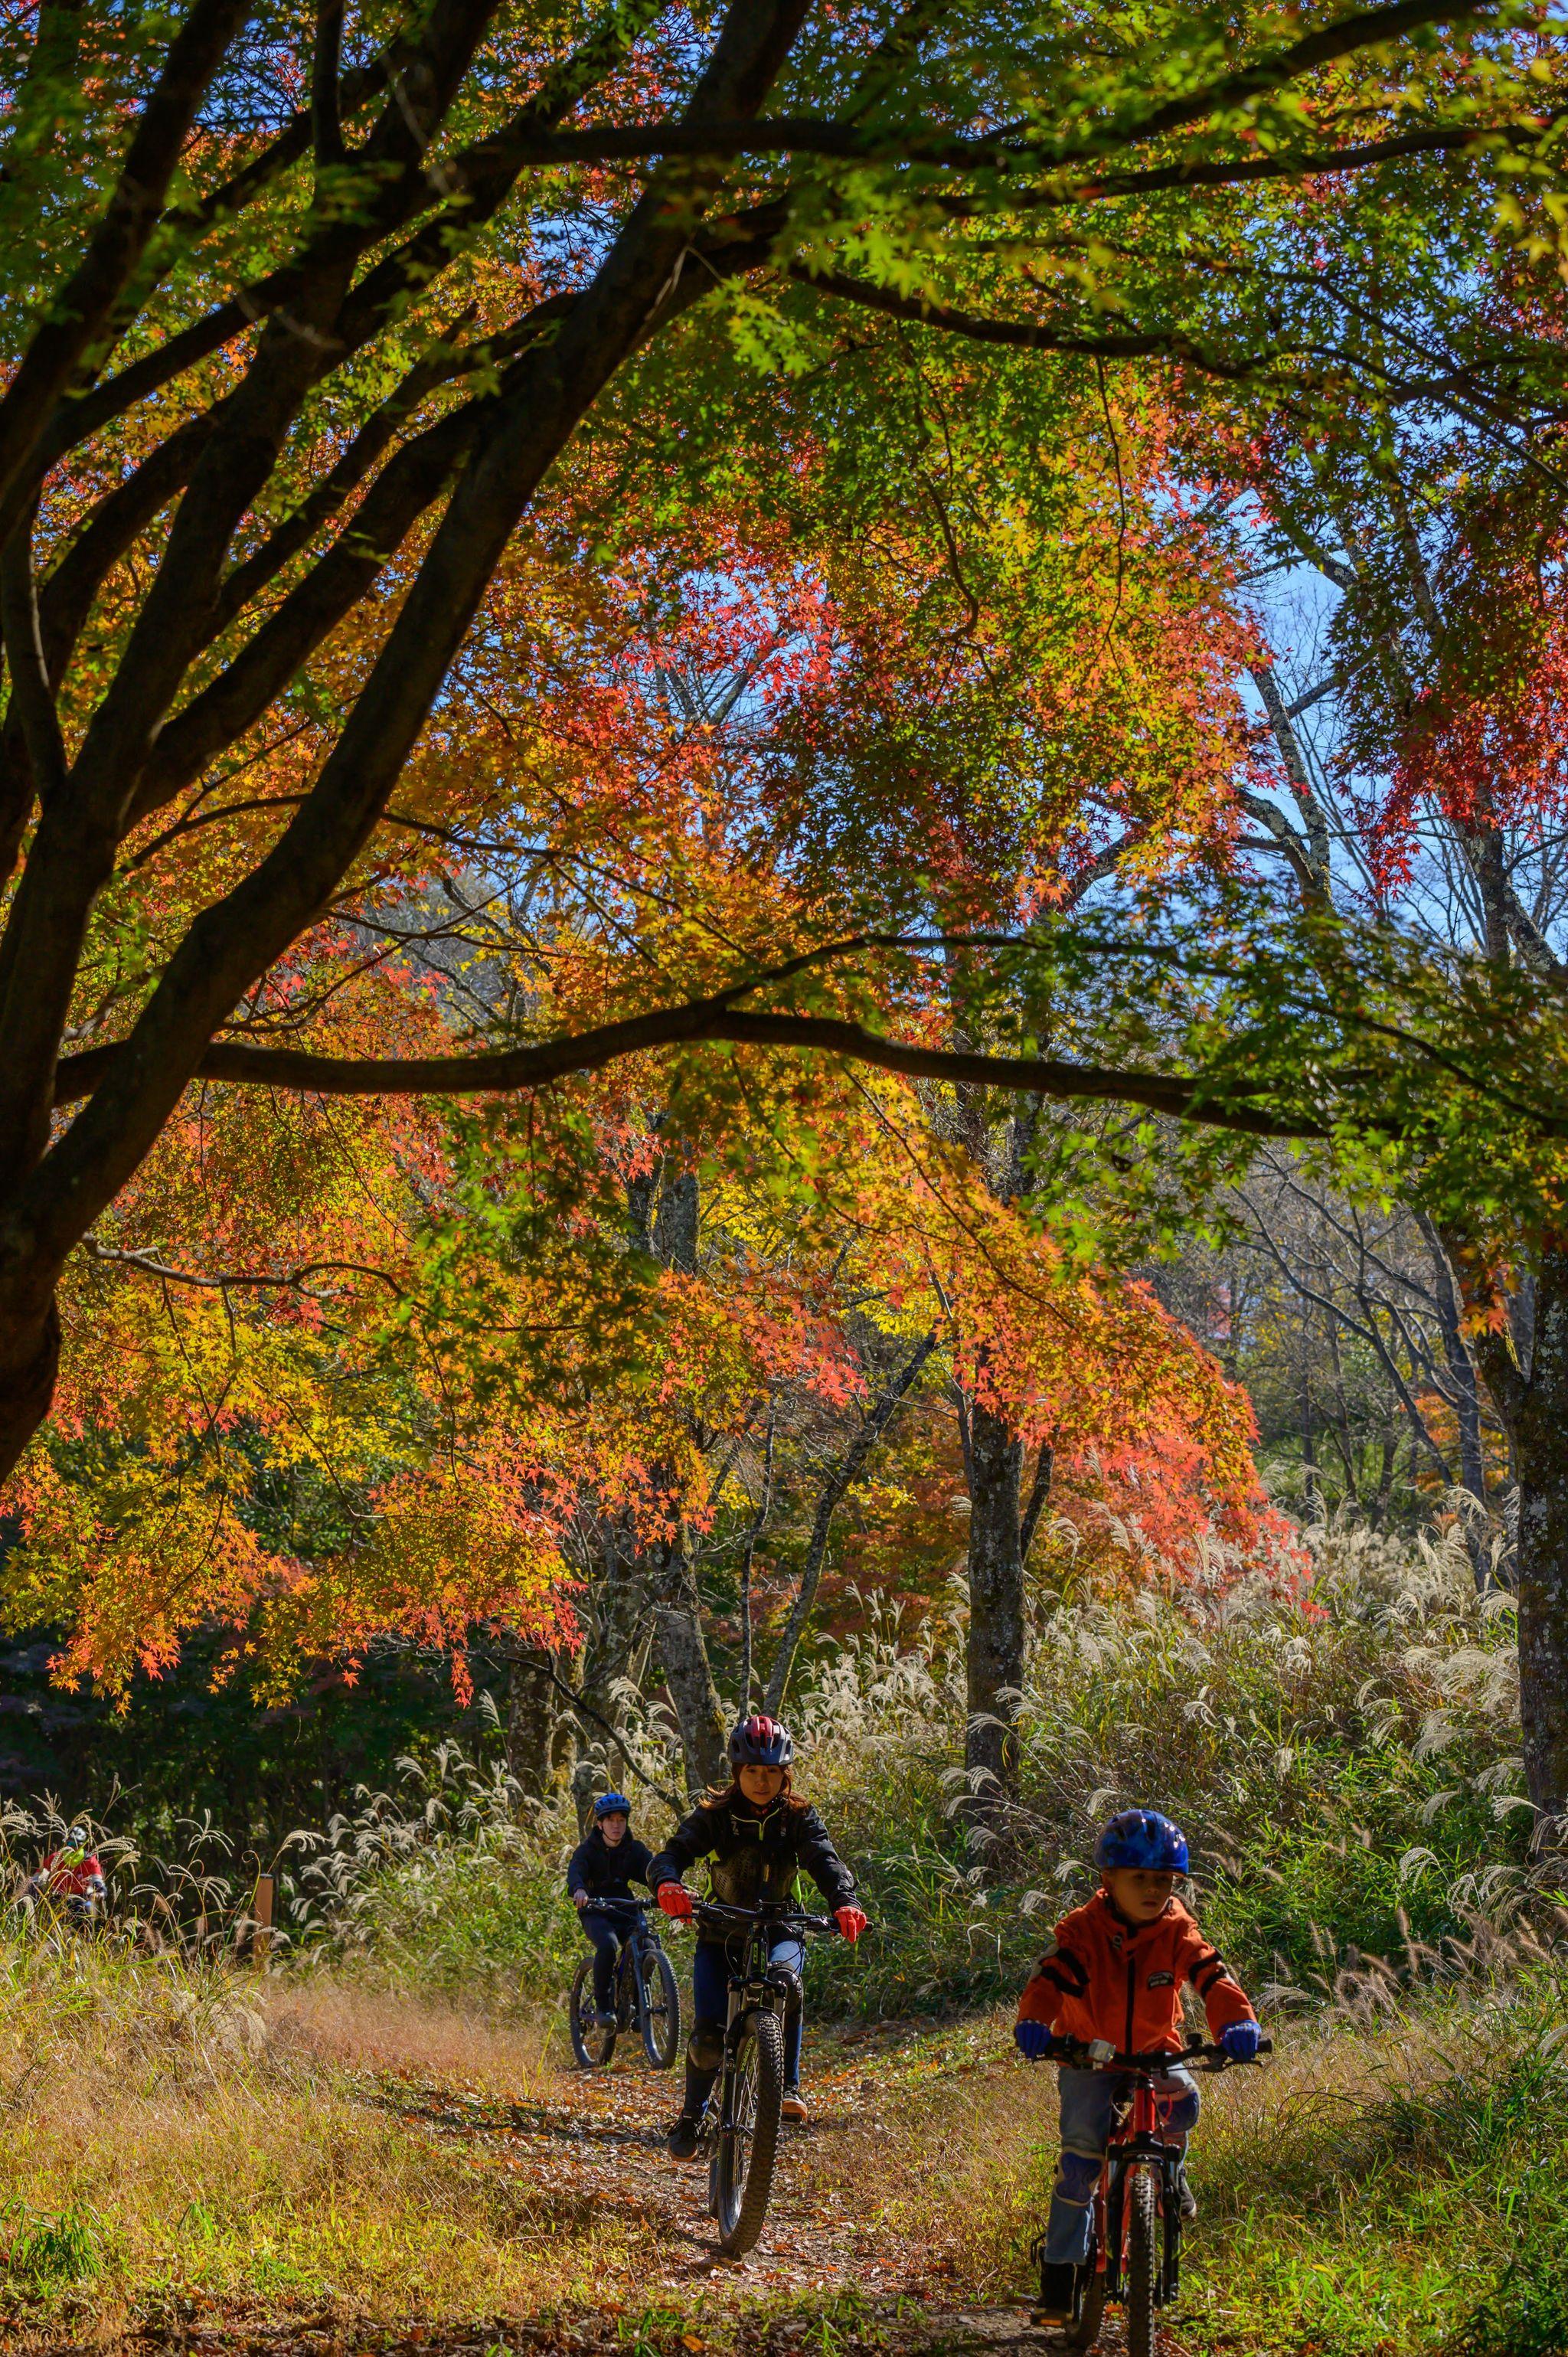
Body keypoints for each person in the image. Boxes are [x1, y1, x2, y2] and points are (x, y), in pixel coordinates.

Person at [1013, 1807, 1261, 2324]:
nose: (1154, 1890)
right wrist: (1036, 2021)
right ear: (1108, 1880)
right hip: (1088, 2052)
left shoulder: (1176, 1929)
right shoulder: (1084, 1931)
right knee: (1080, 2164)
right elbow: (1050, 1980)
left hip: (1156, 2049)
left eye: (1165, 1881)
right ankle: (1060, 2276)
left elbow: (1211, 1974)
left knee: (1184, 2103)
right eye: (1140, 1878)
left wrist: (1237, 2022)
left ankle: (1171, 2170)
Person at [650, 1713, 867, 2157]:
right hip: (721, 1931)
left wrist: (844, 1901)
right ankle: (692, 2116)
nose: (762, 1780)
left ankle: (787, 2083)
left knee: (786, 1982)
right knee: (708, 2040)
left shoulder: (799, 1817)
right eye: (753, 1770)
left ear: (784, 1774)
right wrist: (667, 1883)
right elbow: (673, 1853)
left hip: (781, 1925)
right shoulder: (716, 1815)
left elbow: (825, 1861)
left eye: (771, 1771)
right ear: (737, 1772)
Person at [566, 1792, 655, 2028]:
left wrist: (671, 1887)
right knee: (607, 1945)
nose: (617, 1826)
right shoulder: (587, 1851)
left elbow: (652, 1871)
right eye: (611, 1821)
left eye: (621, 1820)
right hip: (595, 1909)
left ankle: (637, 2008)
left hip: (623, 1906)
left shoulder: (633, 1849)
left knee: (647, 1946)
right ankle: (605, 2007)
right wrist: (579, 1890)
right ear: (600, 1824)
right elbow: (575, 1873)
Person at [24, 1825, 107, 1924]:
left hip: (80, 1899)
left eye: (76, 1845)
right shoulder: (55, 1858)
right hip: (56, 1898)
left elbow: (97, 1881)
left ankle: (87, 1937)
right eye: (70, 1843)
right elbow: (37, 1878)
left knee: (90, 1910)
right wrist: (33, 1890)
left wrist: (99, 1893)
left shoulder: (90, 1861)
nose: (72, 1847)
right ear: (65, 1843)